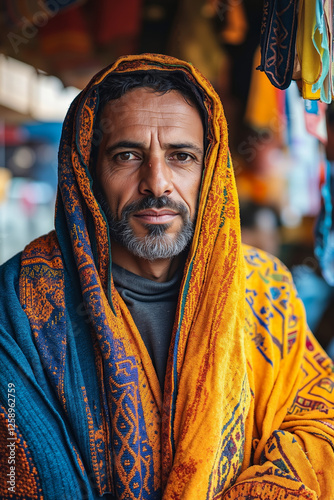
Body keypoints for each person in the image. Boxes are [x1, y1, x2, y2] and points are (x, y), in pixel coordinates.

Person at [0, 54, 334, 500]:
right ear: (88, 171)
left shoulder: (262, 286)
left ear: (210, 171)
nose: (157, 183)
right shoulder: (19, 300)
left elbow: (318, 419)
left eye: (181, 157)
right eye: (127, 155)